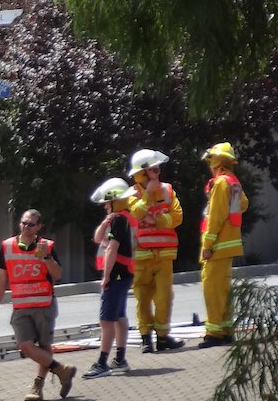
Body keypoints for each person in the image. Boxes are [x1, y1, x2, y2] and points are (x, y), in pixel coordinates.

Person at [0, 208, 77, 401]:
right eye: (23, 223)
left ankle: (38, 386)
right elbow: (2, 276)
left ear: (39, 227)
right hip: (21, 305)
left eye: (31, 224)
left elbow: (57, 274)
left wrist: (46, 257)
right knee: (24, 345)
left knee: (44, 346)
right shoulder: (8, 246)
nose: (26, 227)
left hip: (44, 303)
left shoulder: (47, 247)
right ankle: (61, 370)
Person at [127, 149, 185, 354]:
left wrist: (158, 220)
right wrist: (149, 194)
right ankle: (146, 339)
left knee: (164, 297)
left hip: (165, 254)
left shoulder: (168, 190)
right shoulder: (132, 193)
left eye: (158, 169)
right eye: (154, 170)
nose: (158, 173)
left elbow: (177, 216)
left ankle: (162, 337)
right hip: (142, 255)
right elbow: (136, 213)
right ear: (143, 174)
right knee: (142, 297)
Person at [83, 178, 135, 379]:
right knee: (119, 317)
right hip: (125, 274)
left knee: (106, 320)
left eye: (107, 202)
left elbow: (112, 248)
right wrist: (106, 221)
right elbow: (97, 238)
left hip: (116, 275)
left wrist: (106, 276)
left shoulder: (118, 220)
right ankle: (120, 359)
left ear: (115, 201)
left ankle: (102, 363)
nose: (104, 206)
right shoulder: (122, 218)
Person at [198, 142, 249, 347]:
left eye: (211, 161)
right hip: (230, 243)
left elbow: (216, 217)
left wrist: (208, 244)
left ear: (217, 162)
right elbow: (243, 204)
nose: (210, 165)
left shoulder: (220, 183)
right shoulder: (233, 182)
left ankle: (214, 333)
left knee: (212, 288)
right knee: (224, 289)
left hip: (218, 245)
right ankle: (227, 330)